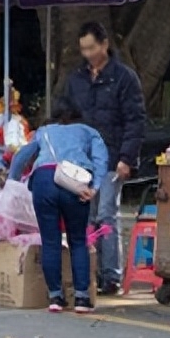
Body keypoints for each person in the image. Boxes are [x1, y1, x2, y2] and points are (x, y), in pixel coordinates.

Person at [65, 22, 147, 296]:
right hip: (81, 161)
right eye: (83, 49)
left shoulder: (124, 78)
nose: (87, 53)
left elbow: (135, 121)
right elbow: (64, 113)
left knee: (106, 216)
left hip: (112, 158)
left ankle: (110, 275)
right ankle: (90, 273)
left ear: (104, 44)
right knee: (85, 217)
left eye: (91, 47)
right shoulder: (76, 79)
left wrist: (127, 158)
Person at [9, 99, 109, 313]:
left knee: (50, 240)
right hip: (74, 183)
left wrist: (12, 182)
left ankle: (55, 297)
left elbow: (21, 157)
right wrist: (95, 186)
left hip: (44, 180)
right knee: (78, 240)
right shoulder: (89, 131)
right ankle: (82, 298)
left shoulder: (44, 131)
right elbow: (102, 160)